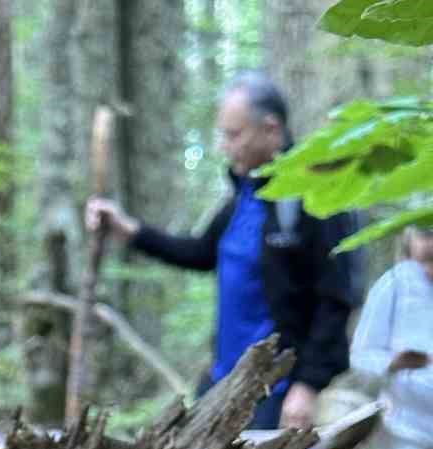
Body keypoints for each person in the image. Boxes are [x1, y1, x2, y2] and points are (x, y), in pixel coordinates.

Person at [86, 71, 361, 430]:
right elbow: (201, 253)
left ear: (271, 129)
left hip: (275, 389)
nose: (224, 146)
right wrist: (129, 231)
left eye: (234, 135)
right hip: (221, 383)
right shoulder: (244, 195)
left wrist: (307, 386)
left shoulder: (316, 197)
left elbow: (336, 297)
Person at [350, 226, 433, 449]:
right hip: (406, 428)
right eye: (427, 233)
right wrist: (396, 362)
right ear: (410, 239)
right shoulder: (395, 286)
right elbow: (361, 359)